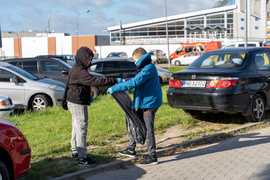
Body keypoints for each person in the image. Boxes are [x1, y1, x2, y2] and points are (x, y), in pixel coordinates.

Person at [66, 46, 122, 166]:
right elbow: (95, 81)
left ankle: (75, 151)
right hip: (77, 103)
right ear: (83, 58)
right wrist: (114, 80)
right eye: (89, 59)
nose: (90, 61)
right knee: (81, 128)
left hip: (74, 101)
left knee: (76, 126)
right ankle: (83, 158)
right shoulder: (79, 71)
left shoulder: (77, 68)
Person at [107, 47, 162, 165]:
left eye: (135, 60)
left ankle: (152, 156)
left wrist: (115, 88)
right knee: (136, 123)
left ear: (139, 59)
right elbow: (135, 79)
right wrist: (121, 81)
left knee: (148, 129)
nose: (135, 63)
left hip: (149, 104)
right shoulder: (146, 66)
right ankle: (131, 149)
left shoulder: (148, 68)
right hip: (144, 102)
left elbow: (135, 82)